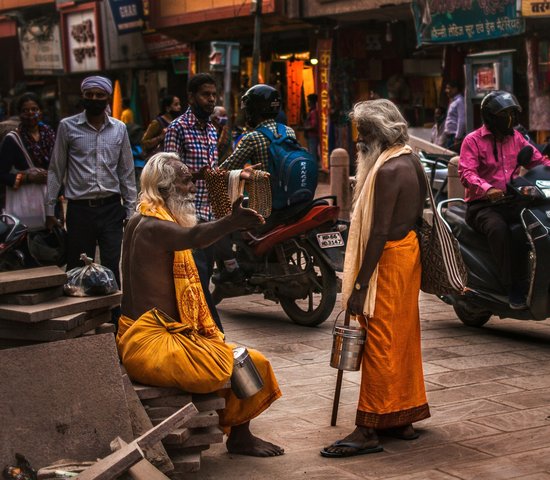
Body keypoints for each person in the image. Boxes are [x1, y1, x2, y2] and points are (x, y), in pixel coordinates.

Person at [118, 152, 284, 457]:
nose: (192, 189)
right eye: (184, 183)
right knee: (244, 362)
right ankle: (240, 437)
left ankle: (239, 435)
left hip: (153, 336)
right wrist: (232, 222)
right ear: (165, 187)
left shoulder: (138, 218)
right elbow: (195, 236)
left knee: (239, 358)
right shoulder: (154, 226)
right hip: (150, 344)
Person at [321, 99, 430, 458]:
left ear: (379, 134)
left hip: (389, 260)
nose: (358, 142)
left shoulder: (386, 171)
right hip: (407, 255)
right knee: (401, 337)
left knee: (381, 340)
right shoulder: (411, 159)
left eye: (363, 134)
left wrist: (359, 286)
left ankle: (368, 428)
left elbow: (379, 232)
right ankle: (401, 417)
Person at [46, 76, 136, 323]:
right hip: (80, 210)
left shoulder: (119, 128)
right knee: (76, 268)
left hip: (110, 209)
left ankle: (115, 323)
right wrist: (49, 209)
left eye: (99, 95)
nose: (94, 99)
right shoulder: (67, 127)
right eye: (90, 95)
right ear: (83, 97)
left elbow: (126, 172)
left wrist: (131, 211)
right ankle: (78, 321)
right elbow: (56, 169)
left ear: (107, 98)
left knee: (110, 266)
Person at [458, 90, 550, 309]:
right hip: (482, 206)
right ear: (491, 118)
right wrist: (487, 188)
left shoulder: (516, 138)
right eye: (505, 115)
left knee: (528, 228)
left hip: (511, 202)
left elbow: (538, 161)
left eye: (512, 114)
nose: (510, 120)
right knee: (499, 230)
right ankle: (512, 286)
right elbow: (466, 172)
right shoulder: (473, 141)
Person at [164, 73, 224, 329]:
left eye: (213, 95)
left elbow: (214, 169)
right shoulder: (177, 128)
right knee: (195, 277)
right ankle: (213, 328)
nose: (211, 100)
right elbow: (168, 173)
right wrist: (198, 175)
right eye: (205, 95)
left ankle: (199, 327)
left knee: (204, 275)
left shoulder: (211, 129)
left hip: (209, 214)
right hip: (186, 215)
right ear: (191, 97)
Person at [0, 92, 56, 225]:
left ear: (40, 111)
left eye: (34, 109)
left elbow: (57, 168)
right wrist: (28, 178)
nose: (30, 113)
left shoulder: (50, 135)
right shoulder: (12, 140)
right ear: (19, 114)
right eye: (25, 111)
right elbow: (1, 174)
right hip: (25, 206)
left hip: (50, 203)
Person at [443, 80, 466, 152]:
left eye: (449, 88)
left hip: (454, 137)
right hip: (450, 137)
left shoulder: (460, 101)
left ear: (455, 89)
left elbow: (461, 120)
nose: (447, 90)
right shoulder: (453, 101)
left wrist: (458, 137)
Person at [304, 93, 319, 166]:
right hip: (311, 136)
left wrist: (305, 128)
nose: (307, 102)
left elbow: (314, 125)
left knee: (312, 153)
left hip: (313, 136)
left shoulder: (313, 112)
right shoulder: (312, 111)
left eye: (308, 101)